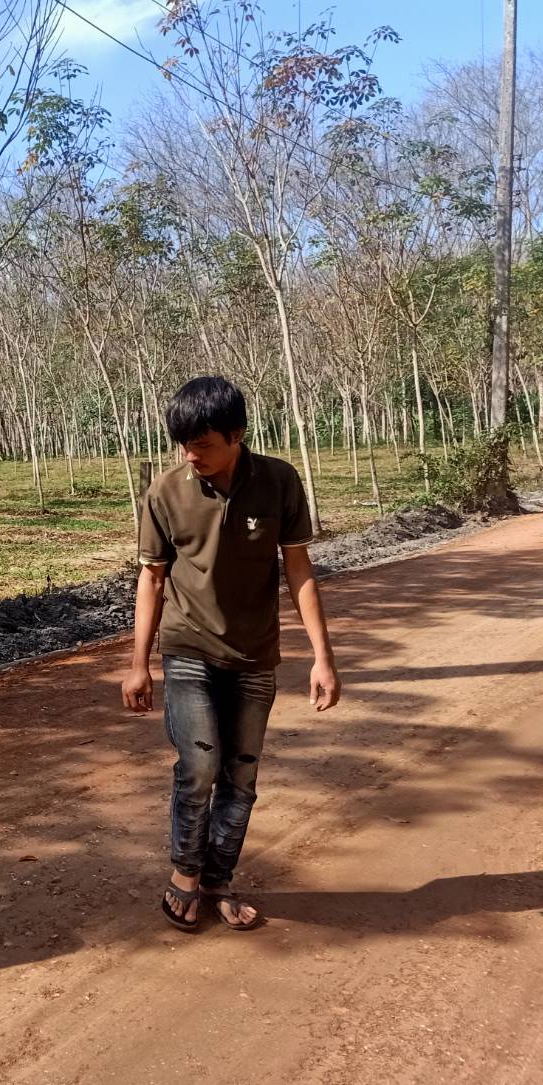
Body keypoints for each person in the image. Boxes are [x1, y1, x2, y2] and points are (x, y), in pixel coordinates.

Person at [121, 376, 341, 932]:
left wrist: (322, 657)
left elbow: (298, 570)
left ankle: (219, 879)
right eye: (184, 444)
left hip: (254, 655)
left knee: (240, 777)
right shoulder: (165, 493)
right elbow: (151, 580)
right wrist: (137, 664)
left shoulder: (279, 482)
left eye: (204, 444)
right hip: (188, 645)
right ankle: (185, 876)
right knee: (199, 764)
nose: (191, 455)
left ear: (237, 435)